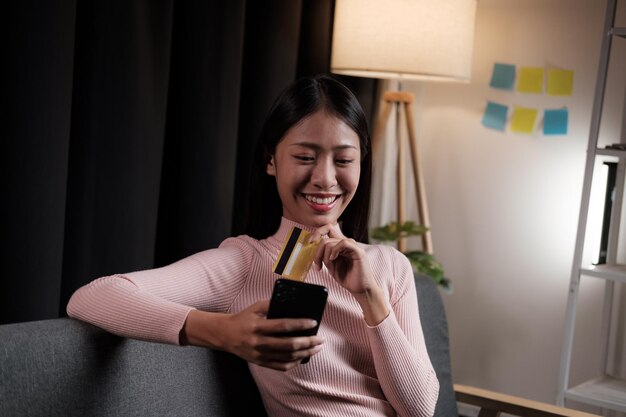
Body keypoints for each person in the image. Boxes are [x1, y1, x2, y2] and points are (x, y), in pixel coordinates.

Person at [67, 75, 439, 417]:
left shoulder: (391, 265)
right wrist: (224, 331)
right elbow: (93, 296)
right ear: (270, 161)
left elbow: (420, 409)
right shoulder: (245, 263)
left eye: (343, 160)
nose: (325, 178)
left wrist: (372, 296)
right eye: (305, 157)